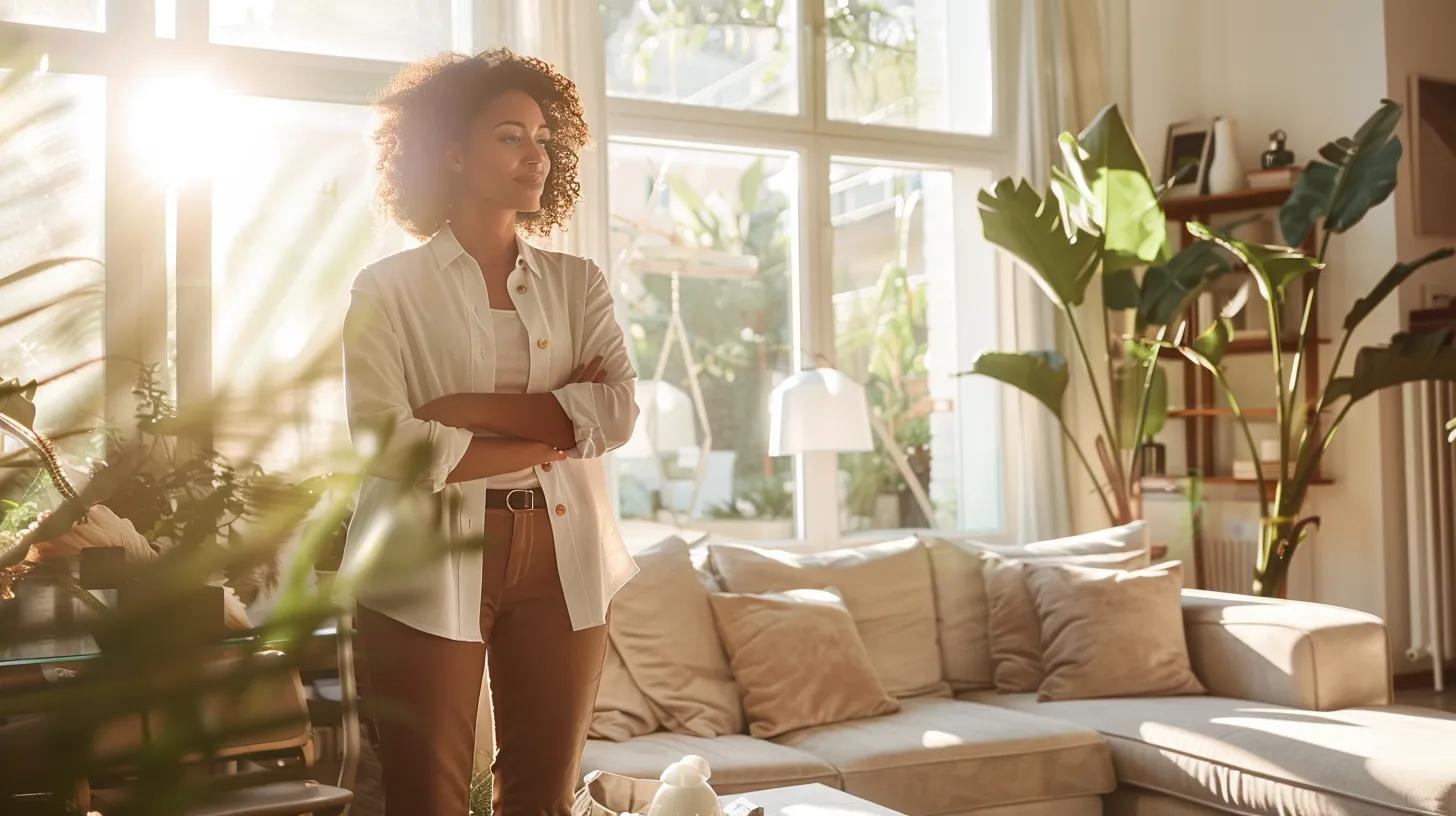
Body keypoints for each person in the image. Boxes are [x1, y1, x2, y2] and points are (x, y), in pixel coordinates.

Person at [341, 47, 641, 815]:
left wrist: (462, 407)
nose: (534, 155)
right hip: (422, 554)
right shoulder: (386, 289)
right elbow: (385, 440)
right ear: (449, 150)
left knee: (542, 797)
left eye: (543, 138)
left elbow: (617, 414)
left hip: (563, 553)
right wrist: (558, 431)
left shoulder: (580, 285)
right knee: (427, 797)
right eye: (510, 135)